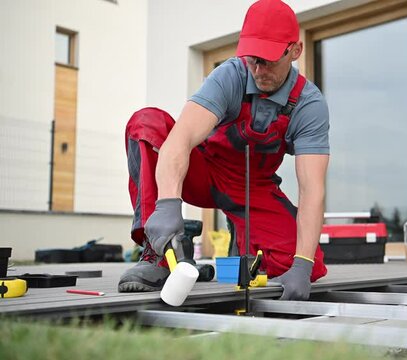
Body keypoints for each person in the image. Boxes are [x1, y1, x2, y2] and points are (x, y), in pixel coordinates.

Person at [118, 0, 329, 301]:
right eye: (253, 58)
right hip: (202, 170)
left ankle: (240, 239)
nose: (258, 69)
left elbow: (312, 189)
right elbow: (180, 139)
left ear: (295, 51)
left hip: (251, 188)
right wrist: (167, 205)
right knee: (146, 123)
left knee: (308, 263)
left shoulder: (309, 105)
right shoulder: (231, 75)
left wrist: (303, 263)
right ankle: (159, 255)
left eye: (268, 60)